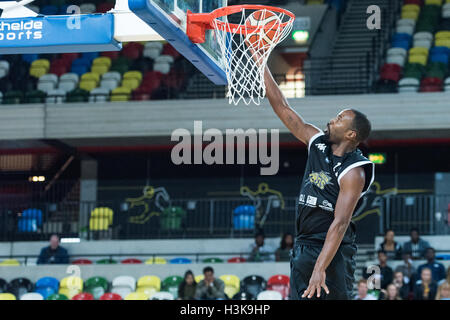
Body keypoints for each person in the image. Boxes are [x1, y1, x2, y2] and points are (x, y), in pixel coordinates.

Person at [263, 65, 375, 300]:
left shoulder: (354, 170)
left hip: (333, 251)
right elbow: (283, 107)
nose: (332, 120)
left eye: (339, 119)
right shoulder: (318, 142)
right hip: (303, 244)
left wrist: (319, 267)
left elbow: (340, 223)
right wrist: (261, 62)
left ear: (351, 134)